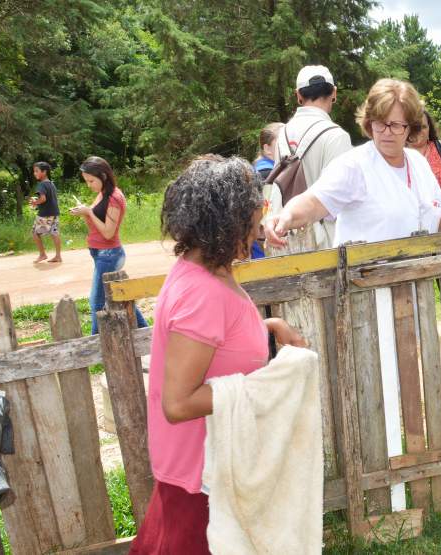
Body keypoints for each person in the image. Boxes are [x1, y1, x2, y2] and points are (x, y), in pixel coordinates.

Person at [129, 155, 306, 555]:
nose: (260, 221)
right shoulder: (202, 293)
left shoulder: (208, 269)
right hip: (200, 476)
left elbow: (216, 345)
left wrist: (269, 328)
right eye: (254, 210)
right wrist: (263, 387)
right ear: (229, 219)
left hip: (205, 467)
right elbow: (178, 403)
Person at [265, 78, 441, 248]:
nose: (387, 133)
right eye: (380, 123)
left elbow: (440, 219)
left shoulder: (418, 163)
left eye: (396, 125)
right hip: (369, 294)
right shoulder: (354, 165)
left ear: (410, 127)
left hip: (416, 290)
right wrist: (285, 216)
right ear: (369, 124)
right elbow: (313, 202)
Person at [269, 65, 352, 250]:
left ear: (298, 95)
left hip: (287, 239)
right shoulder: (337, 136)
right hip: (326, 244)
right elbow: (343, 198)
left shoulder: (282, 134)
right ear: (334, 93)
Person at [69, 157, 148, 334]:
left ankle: (97, 345)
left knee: (97, 302)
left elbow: (108, 233)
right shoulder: (104, 193)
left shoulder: (114, 198)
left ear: (103, 176)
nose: (89, 185)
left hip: (109, 255)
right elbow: (100, 222)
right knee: (121, 296)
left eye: (91, 181)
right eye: (86, 181)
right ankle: (148, 334)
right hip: (102, 254)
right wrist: (85, 211)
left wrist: (88, 211)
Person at [253, 122, 285, 259]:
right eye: (281, 141)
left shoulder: (259, 169)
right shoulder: (267, 174)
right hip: (265, 241)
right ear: (267, 149)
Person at [29, 161, 62, 264]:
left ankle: (42, 254)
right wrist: (38, 201)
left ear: (44, 172)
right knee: (54, 233)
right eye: (34, 171)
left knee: (35, 233)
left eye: (37, 171)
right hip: (54, 213)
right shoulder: (51, 183)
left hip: (45, 214)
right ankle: (58, 256)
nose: (35, 173)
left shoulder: (41, 185)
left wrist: (35, 202)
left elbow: (43, 199)